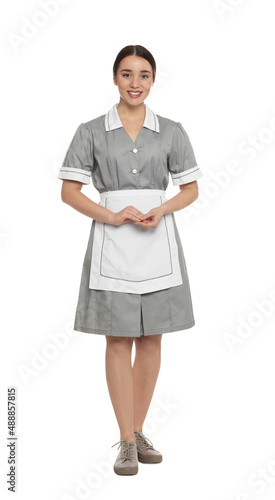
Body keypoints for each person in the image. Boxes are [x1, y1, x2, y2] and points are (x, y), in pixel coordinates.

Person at [57, 44, 203, 476]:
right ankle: (125, 439)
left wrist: (165, 207)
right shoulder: (91, 131)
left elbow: (191, 188)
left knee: (152, 337)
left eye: (143, 75)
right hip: (112, 242)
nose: (134, 83)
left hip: (158, 240)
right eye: (126, 74)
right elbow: (69, 191)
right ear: (114, 79)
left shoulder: (172, 131)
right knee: (118, 339)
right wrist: (112, 214)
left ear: (153, 80)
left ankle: (138, 431)